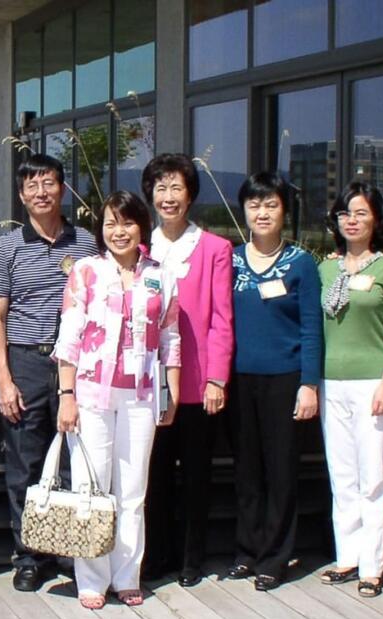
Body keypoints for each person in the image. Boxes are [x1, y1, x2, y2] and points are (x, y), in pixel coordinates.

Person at [54, 190, 181, 609]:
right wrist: (66, 394)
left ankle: (128, 575)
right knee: (92, 485)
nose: (118, 231)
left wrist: (173, 389)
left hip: (141, 395)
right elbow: (68, 337)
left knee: (132, 490)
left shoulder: (160, 274)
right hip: (91, 394)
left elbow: (170, 335)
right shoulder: (86, 272)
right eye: (110, 223)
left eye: (126, 222)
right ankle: (91, 577)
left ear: (141, 226)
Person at [0, 153, 98, 592]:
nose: (41, 192)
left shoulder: (87, 243)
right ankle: (29, 554)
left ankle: (71, 552)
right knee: (24, 462)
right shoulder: (8, 246)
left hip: (77, 366)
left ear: (62, 188)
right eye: (31, 185)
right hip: (26, 362)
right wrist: (4, 379)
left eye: (48, 183)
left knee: (74, 459)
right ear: (21, 194)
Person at [140, 153, 234, 587]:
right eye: (161, 188)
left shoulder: (215, 248)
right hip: (150, 383)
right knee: (154, 475)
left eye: (176, 187)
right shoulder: (141, 248)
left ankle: (192, 558)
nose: (168, 196)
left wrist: (217, 377)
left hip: (197, 383)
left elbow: (221, 318)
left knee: (196, 474)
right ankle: (158, 555)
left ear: (190, 194)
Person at [225, 172, 323, 591]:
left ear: (284, 211)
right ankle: (248, 550)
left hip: (285, 379)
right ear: (244, 210)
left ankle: (276, 557)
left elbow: (311, 328)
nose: (262, 213)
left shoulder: (300, 263)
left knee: (281, 471)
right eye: (254, 204)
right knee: (247, 470)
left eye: (271, 205)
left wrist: (309, 383)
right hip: (238, 380)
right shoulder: (228, 260)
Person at [317, 181, 383, 598]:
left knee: (373, 476)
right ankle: (347, 556)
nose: (351, 220)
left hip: (374, 383)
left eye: (361, 213)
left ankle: (373, 564)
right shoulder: (326, 268)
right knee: (343, 473)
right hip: (331, 382)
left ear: (376, 220)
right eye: (344, 213)